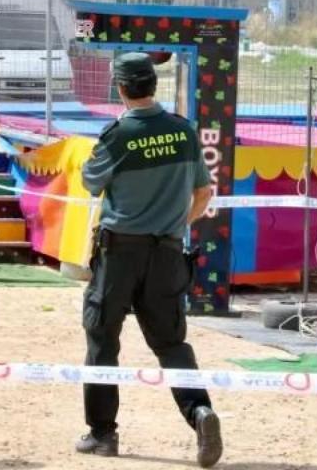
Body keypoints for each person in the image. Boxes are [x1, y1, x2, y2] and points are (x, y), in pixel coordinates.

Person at [77, 53, 222, 468]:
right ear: (152, 85)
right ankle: (199, 413)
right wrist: (175, 225)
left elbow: (90, 183)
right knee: (172, 343)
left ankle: (103, 434)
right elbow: (203, 194)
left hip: (120, 253)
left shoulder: (116, 136)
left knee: (102, 338)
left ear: (120, 87)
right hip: (167, 251)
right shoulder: (183, 131)